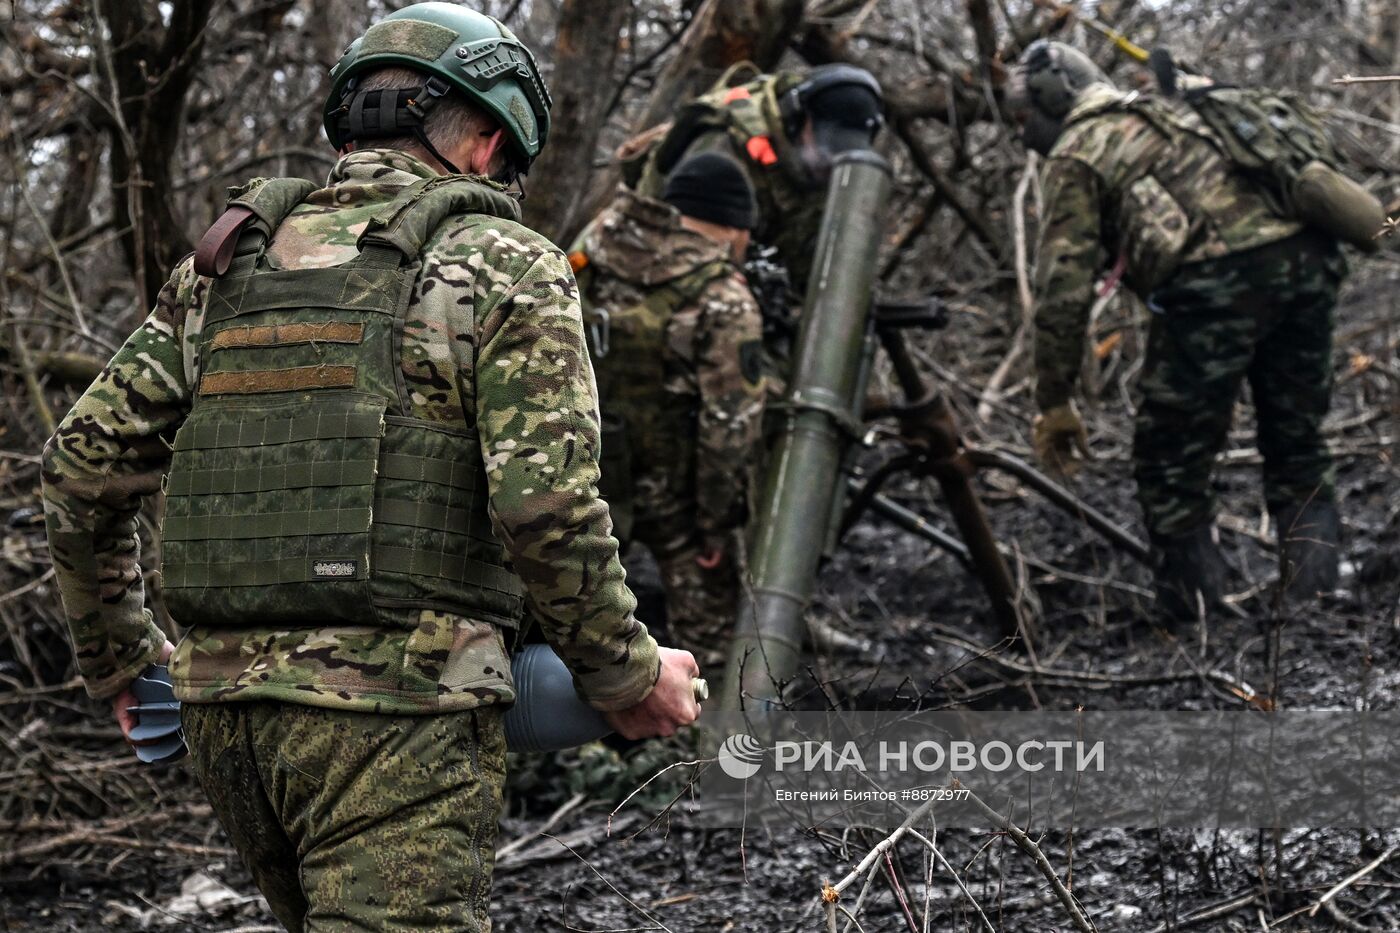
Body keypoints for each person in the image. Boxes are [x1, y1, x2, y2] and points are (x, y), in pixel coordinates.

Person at [41, 4, 700, 931]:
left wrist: (118, 654)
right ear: (487, 140)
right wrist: (628, 675)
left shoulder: (223, 269)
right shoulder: (504, 263)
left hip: (226, 717)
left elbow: (79, 464)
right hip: (398, 720)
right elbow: (545, 506)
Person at [1010, 40, 1349, 620]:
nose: (1023, 132)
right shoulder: (1172, 110)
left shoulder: (1079, 150)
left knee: (1170, 461)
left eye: (1023, 116)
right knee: (1298, 442)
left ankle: (1194, 619)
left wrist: (1055, 400)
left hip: (1216, 283)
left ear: (1051, 97)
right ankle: (1316, 602)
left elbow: (1063, 289)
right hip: (1307, 260)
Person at [572, 153, 766, 664]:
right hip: (674, 499)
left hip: (581, 474)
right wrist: (716, 525)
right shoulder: (723, 297)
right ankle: (697, 712)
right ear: (733, 226)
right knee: (713, 643)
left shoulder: (596, 243)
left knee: (564, 623)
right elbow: (729, 430)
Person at [624, 63, 884, 292]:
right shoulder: (724, 150)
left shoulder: (828, 172)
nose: (831, 162)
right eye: (828, 147)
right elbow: (685, 260)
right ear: (797, 120)